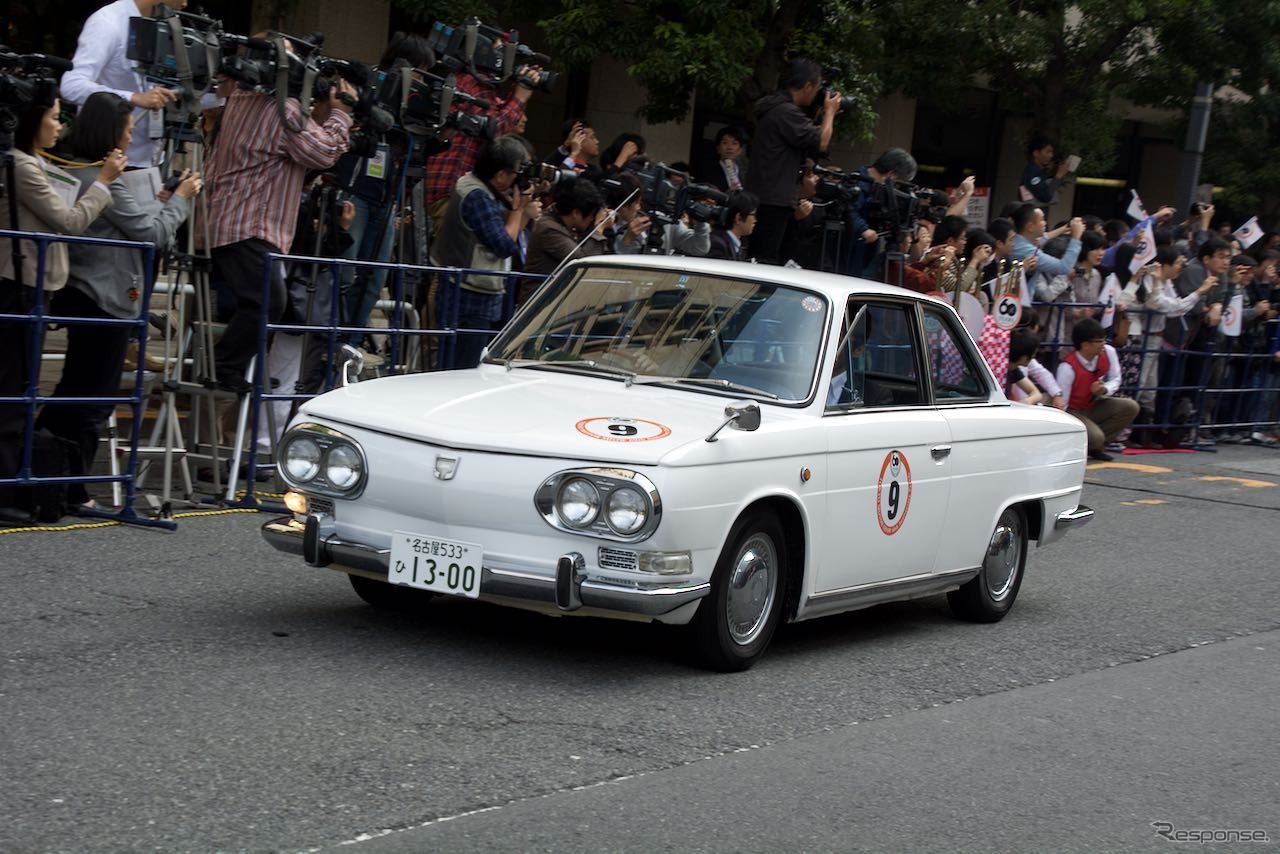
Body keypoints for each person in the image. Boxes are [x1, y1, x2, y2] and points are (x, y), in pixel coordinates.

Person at [35, 92, 199, 509]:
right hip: (105, 297)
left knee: (77, 389)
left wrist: (162, 203)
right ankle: (71, 489)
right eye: (127, 130)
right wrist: (180, 202)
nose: (130, 138)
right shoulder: (100, 179)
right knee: (93, 397)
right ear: (110, 132)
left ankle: (51, 478)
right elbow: (151, 235)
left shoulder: (77, 171)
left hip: (83, 292)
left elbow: (135, 225)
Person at [0, 89, 124, 515]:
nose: (61, 125)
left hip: (37, 285)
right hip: (16, 283)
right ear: (32, 120)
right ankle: (8, 488)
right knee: (12, 390)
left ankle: (17, 484)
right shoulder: (20, 166)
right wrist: (104, 182)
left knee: (21, 388)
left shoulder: (35, 164)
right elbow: (70, 222)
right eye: (54, 117)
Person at [201, 65, 355, 393]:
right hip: (252, 222)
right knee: (267, 301)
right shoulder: (282, 109)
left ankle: (238, 369)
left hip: (232, 219)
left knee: (262, 302)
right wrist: (340, 113)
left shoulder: (240, 99)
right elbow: (324, 152)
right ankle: (224, 367)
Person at [429, 136, 541, 369]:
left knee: (467, 367)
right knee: (461, 369)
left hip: (472, 292)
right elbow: (504, 245)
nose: (516, 180)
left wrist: (520, 211)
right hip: (468, 296)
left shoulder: (477, 186)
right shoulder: (476, 196)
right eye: (515, 173)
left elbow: (504, 235)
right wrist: (519, 209)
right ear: (500, 174)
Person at [61, 0, 189, 169]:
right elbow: (71, 86)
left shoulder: (166, 24)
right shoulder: (108, 22)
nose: (185, 3)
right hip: (109, 160)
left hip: (152, 157)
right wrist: (133, 98)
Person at [744, 58, 841, 265]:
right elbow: (822, 142)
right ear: (807, 86)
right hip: (774, 199)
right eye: (817, 87)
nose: (817, 93)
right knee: (766, 262)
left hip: (767, 195)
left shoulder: (776, 108)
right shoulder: (786, 112)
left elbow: (813, 149)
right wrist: (830, 112)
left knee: (767, 259)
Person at [1055, 318, 1140, 461]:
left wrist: (1104, 389)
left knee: (1130, 406)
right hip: (1074, 411)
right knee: (1096, 436)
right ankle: (1085, 444)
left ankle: (1097, 446)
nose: (1103, 344)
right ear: (1085, 345)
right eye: (1099, 341)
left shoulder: (1109, 352)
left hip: (1095, 404)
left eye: (1103, 340)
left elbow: (1116, 378)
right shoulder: (1067, 367)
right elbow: (1062, 405)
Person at [525, 177, 609, 277]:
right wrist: (598, 230)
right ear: (576, 213)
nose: (592, 219)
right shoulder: (548, 229)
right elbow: (583, 263)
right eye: (592, 215)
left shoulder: (558, 222)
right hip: (539, 291)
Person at [1019, 131, 1072, 211]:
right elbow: (1045, 197)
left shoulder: (1041, 171)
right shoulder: (1032, 172)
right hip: (1030, 215)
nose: (1051, 155)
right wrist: (1058, 176)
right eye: (1047, 152)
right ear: (1036, 153)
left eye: (1051, 152)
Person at [707, 192, 758, 262]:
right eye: (753, 215)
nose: (755, 220)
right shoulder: (717, 245)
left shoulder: (736, 245)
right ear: (738, 218)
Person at [706, 125, 746, 193]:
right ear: (718, 148)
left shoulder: (745, 175)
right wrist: (726, 195)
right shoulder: (708, 171)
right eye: (725, 143)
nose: (729, 147)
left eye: (734, 143)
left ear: (740, 150)